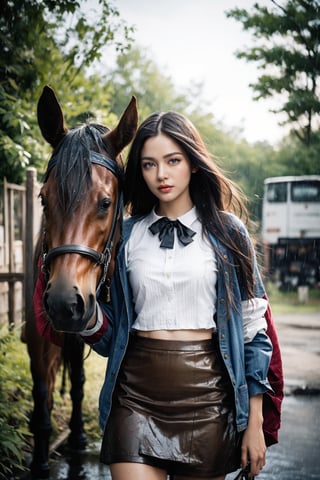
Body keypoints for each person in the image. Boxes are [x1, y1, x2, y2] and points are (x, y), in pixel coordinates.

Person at [35, 111, 281, 480]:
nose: (161, 174)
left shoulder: (228, 233)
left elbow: (252, 332)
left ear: (194, 165)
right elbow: (113, 334)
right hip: (135, 399)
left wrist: (255, 422)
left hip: (207, 401)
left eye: (173, 161)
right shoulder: (127, 236)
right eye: (149, 164)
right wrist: (83, 315)